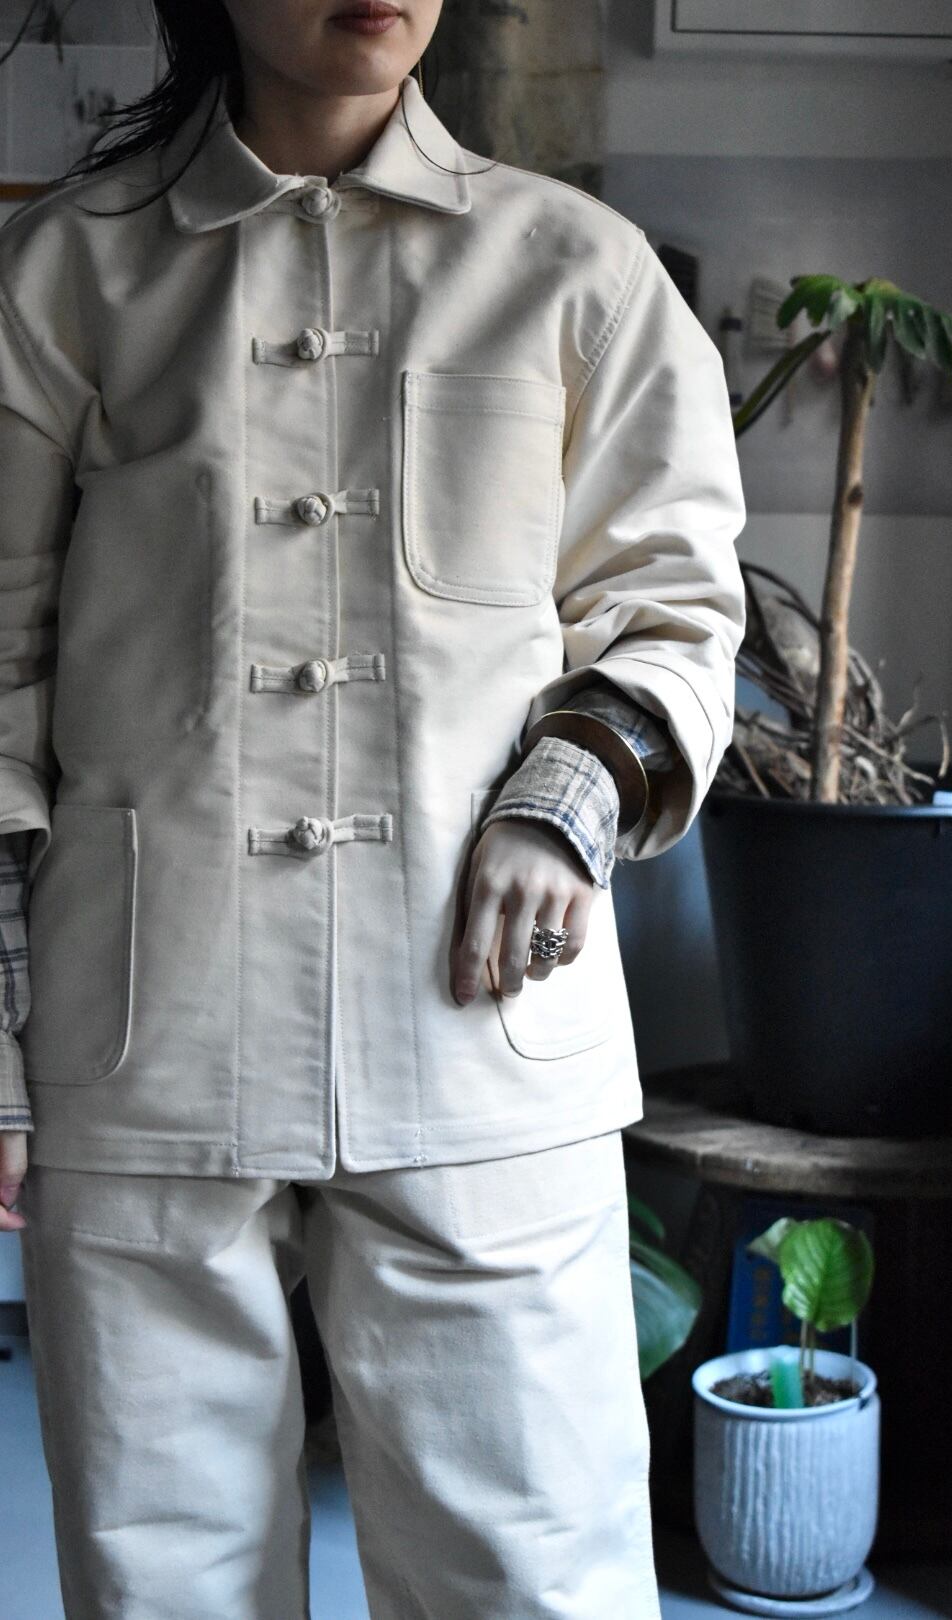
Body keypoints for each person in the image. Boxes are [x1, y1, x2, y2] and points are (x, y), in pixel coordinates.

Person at [0, 0, 747, 1614]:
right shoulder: (65, 273)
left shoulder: (577, 269)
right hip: (141, 1024)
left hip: (479, 1028)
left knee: (532, 1573)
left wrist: (569, 794)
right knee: (160, 1579)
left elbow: (674, 610)